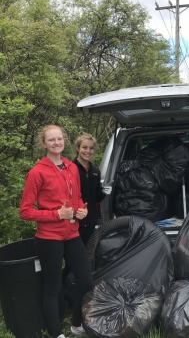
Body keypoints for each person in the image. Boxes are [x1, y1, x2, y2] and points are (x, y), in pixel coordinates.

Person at [19, 125, 94, 338]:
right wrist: (56, 215)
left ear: (64, 141)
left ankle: (76, 325)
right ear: (44, 144)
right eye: (51, 140)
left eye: (59, 139)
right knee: (53, 287)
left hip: (72, 234)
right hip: (48, 238)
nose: (57, 143)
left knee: (86, 282)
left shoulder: (71, 167)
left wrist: (82, 209)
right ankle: (55, 334)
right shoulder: (37, 172)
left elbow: (77, 196)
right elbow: (25, 211)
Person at [72, 132, 111, 245]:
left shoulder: (95, 171)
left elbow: (96, 198)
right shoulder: (70, 169)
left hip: (90, 221)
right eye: (84, 147)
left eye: (91, 148)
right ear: (77, 148)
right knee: (74, 257)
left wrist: (103, 192)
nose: (88, 151)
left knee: (89, 254)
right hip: (74, 221)